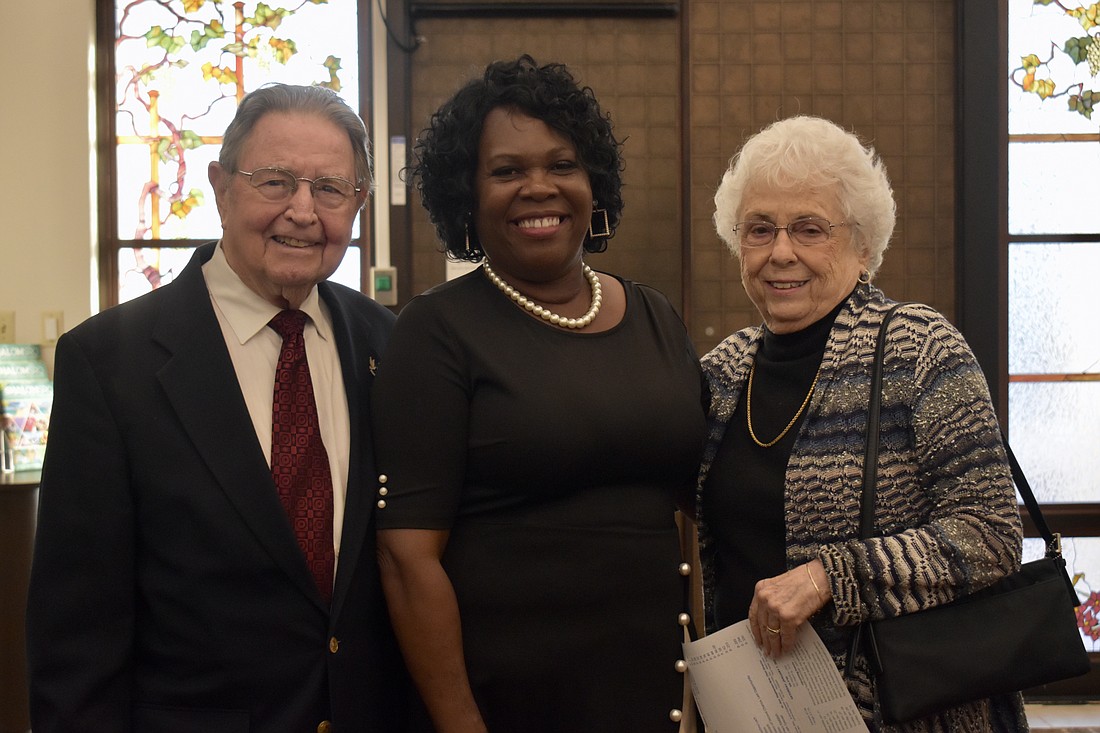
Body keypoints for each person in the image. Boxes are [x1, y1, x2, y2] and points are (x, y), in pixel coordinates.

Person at [26, 84, 407, 732]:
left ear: (359, 203)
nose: (303, 211)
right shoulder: (110, 364)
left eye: (330, 189)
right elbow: (76, 639)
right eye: (276, 182)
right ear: (221, 186)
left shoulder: (387, 344)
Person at [371, 55, 707, 733]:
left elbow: (697, 514)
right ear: (466, 196)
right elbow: (408, 559)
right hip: (507, 703)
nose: (539, 187)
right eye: (506, 171)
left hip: (656, 692)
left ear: (594, 183)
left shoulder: (655, 315)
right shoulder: (436, 331)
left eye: (563, 165)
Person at [697, 115, 1027, 731]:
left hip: (910, 714)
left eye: (809, 228)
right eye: (760, 229)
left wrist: (830, 576)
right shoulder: (721, 374)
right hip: (758, 711)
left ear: (864, 245)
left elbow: (991, 535)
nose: (781, 252)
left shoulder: (919, 349)